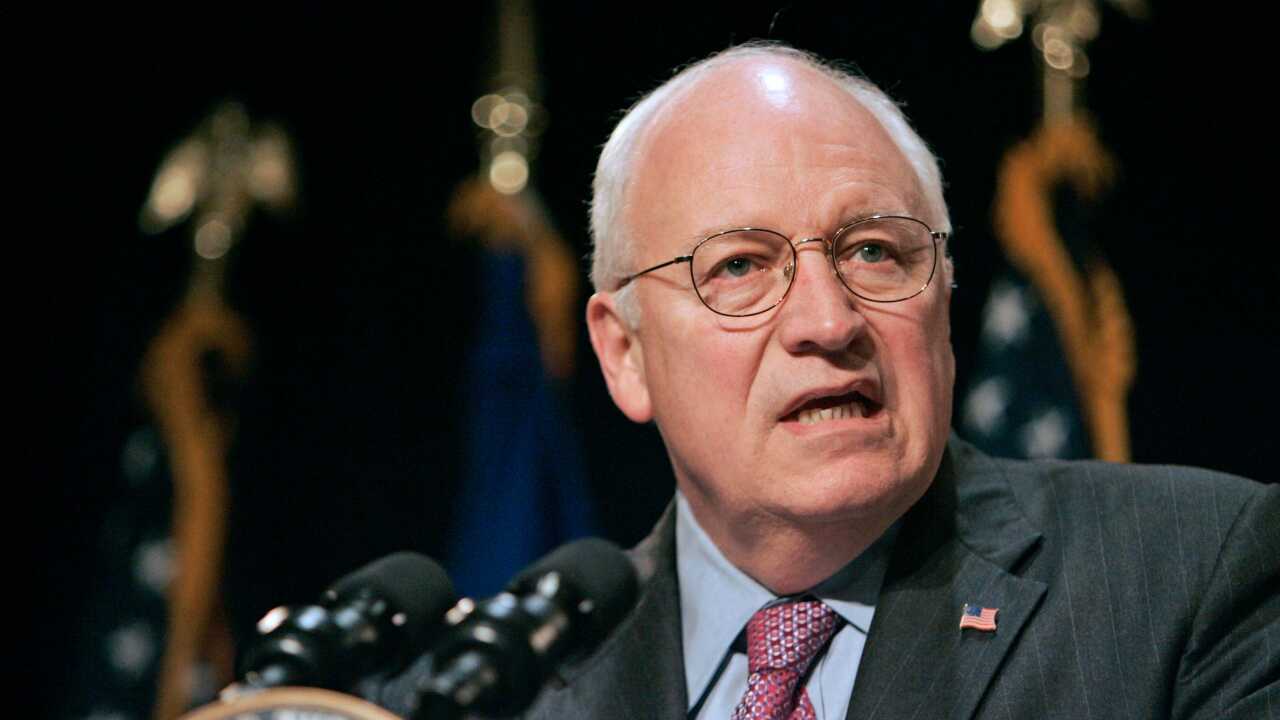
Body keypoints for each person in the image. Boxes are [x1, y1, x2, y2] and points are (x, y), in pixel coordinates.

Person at [378, 42, 1278, 719]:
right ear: (625, 354)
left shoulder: (1192, 578)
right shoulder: (498, 688)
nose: (828, 322)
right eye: (737, 267)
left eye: (875, 252)